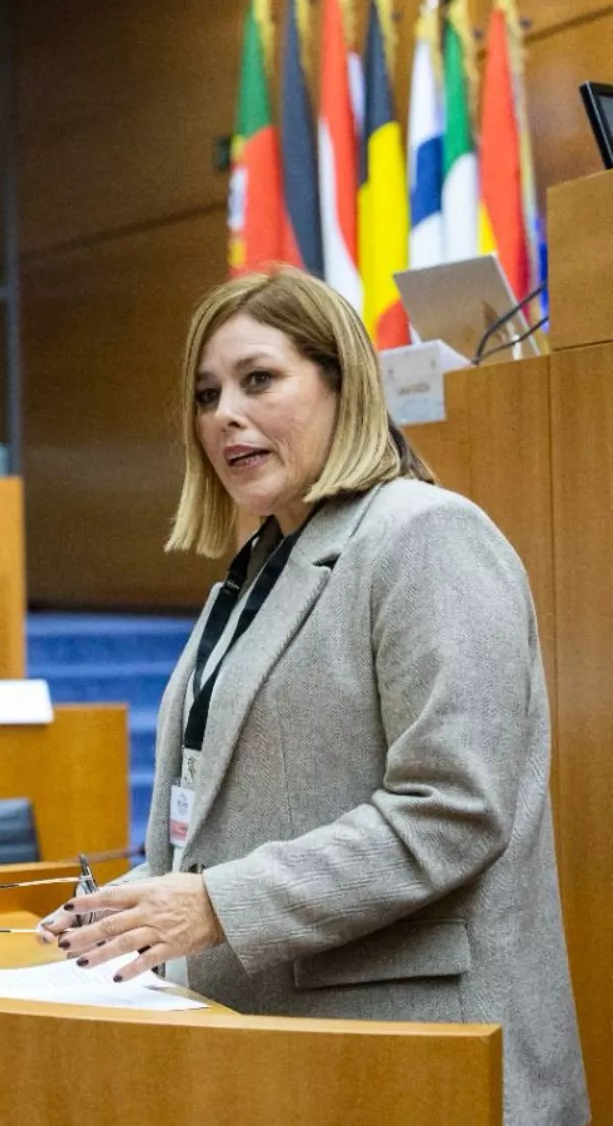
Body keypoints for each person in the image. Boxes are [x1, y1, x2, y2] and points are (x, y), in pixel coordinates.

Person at [44, 268, 587, 1125]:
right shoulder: (261, 566)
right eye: (207, 393)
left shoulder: (423, 536)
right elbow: (237, 806)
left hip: (417, 1055)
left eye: (259, 380)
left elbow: (453, 808)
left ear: (342, 382)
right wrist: (129, 908)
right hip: (287, 1051)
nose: (225, 413)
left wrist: (219, 903)